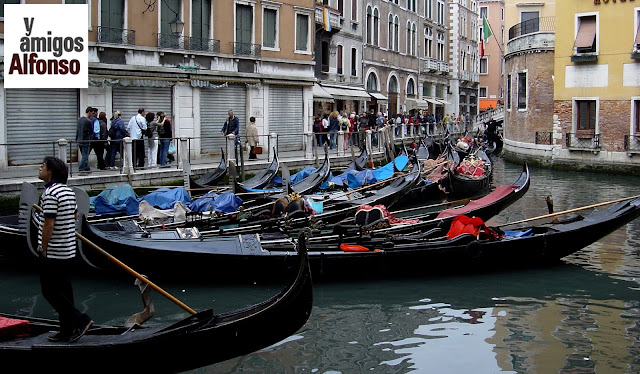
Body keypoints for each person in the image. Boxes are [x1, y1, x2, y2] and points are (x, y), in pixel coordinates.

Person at [36, 156, 93, 343]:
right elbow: (75, 215)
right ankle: (66, 331)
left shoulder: (50, 193)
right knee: (64, 292)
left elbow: (48, 225)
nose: (40, 168)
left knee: (49, 291)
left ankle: (81, 320)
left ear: (50, 172)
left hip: (54, 251)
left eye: (43, 166)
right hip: (68, 250)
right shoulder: (68, 192)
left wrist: (42, 247)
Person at [76, 107, 96, 172]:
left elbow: (77, 130)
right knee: (85, 156)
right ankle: (81, 168)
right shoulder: (88, 121)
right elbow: (91, 131)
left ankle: (87, 168)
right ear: (89, 112)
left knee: (84, 155)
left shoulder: (79, 120)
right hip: (86, 140)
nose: (92, 115)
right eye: (92, 113)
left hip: (79, 140)